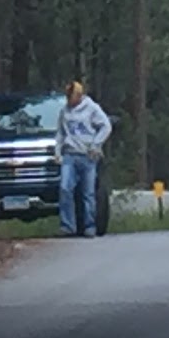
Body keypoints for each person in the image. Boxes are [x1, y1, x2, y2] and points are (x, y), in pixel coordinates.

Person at [56, 76, 113, 238]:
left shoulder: (92, 109)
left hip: (88, 156)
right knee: (65, 188)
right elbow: (60, 133)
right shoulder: (64, 111)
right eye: (67, 96)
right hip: (69, 155)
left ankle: (89, 226)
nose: (69, 99)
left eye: (71, 96)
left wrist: (96, 144)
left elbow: (106, 126)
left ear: (79, 96)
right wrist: (58, 151)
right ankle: (67, 225)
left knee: (88, 193)